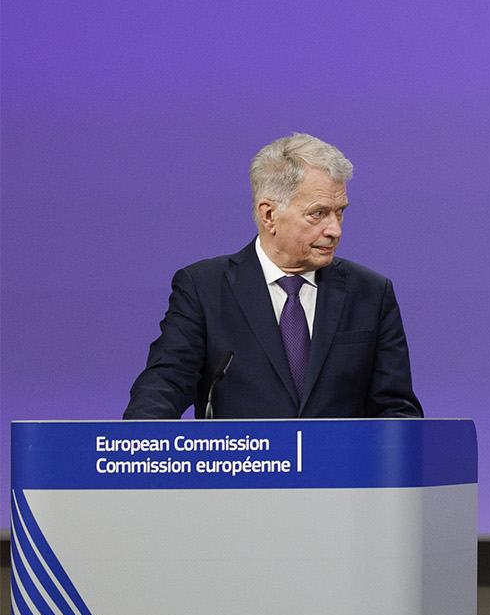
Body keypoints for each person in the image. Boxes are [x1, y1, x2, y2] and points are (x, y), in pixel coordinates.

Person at [124, 134, 422, 419]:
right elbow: (165, 384)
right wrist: (133, 448)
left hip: (337, 470)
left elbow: (396, 410)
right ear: (269, 215)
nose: (335, 230)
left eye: (339, 212)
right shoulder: (203, 289)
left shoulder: (370, 292)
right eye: (318, 213)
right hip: (243, 469)